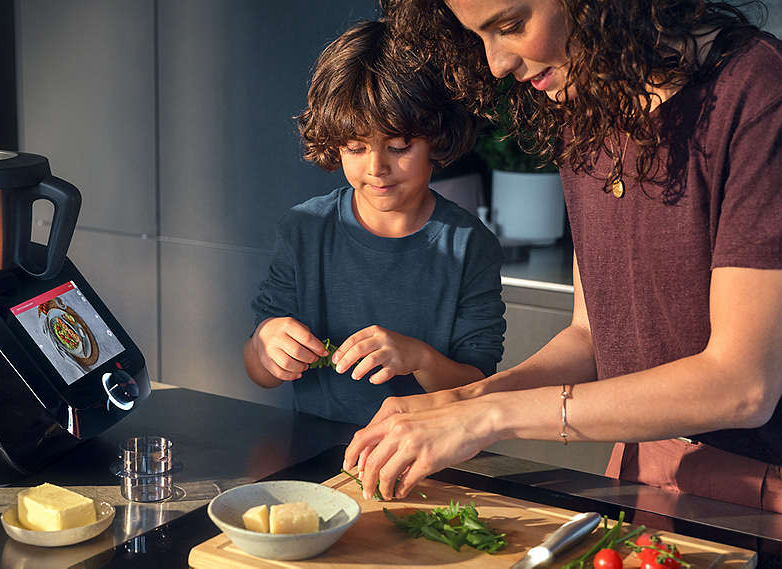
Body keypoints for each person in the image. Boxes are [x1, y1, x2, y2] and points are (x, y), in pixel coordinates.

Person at [344, 0, 782, 512]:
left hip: (759, 491)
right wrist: (463, 400)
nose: (496, 64)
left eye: (511, 26)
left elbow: (741, 385)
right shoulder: (588, 109)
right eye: (479, 37)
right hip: (641, 468)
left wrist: (488, 418)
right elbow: (592, 336)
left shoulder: (758, 92)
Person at [243, 19, 506, 426]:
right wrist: (266, 345)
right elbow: (260, 373)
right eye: (355, 147)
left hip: (430, 450)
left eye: (398, 147)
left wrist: (419, 358)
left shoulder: (470, 246)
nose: (376, 168)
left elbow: (478, 386)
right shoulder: (304, 230)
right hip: (321, 448)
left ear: (437, 137)